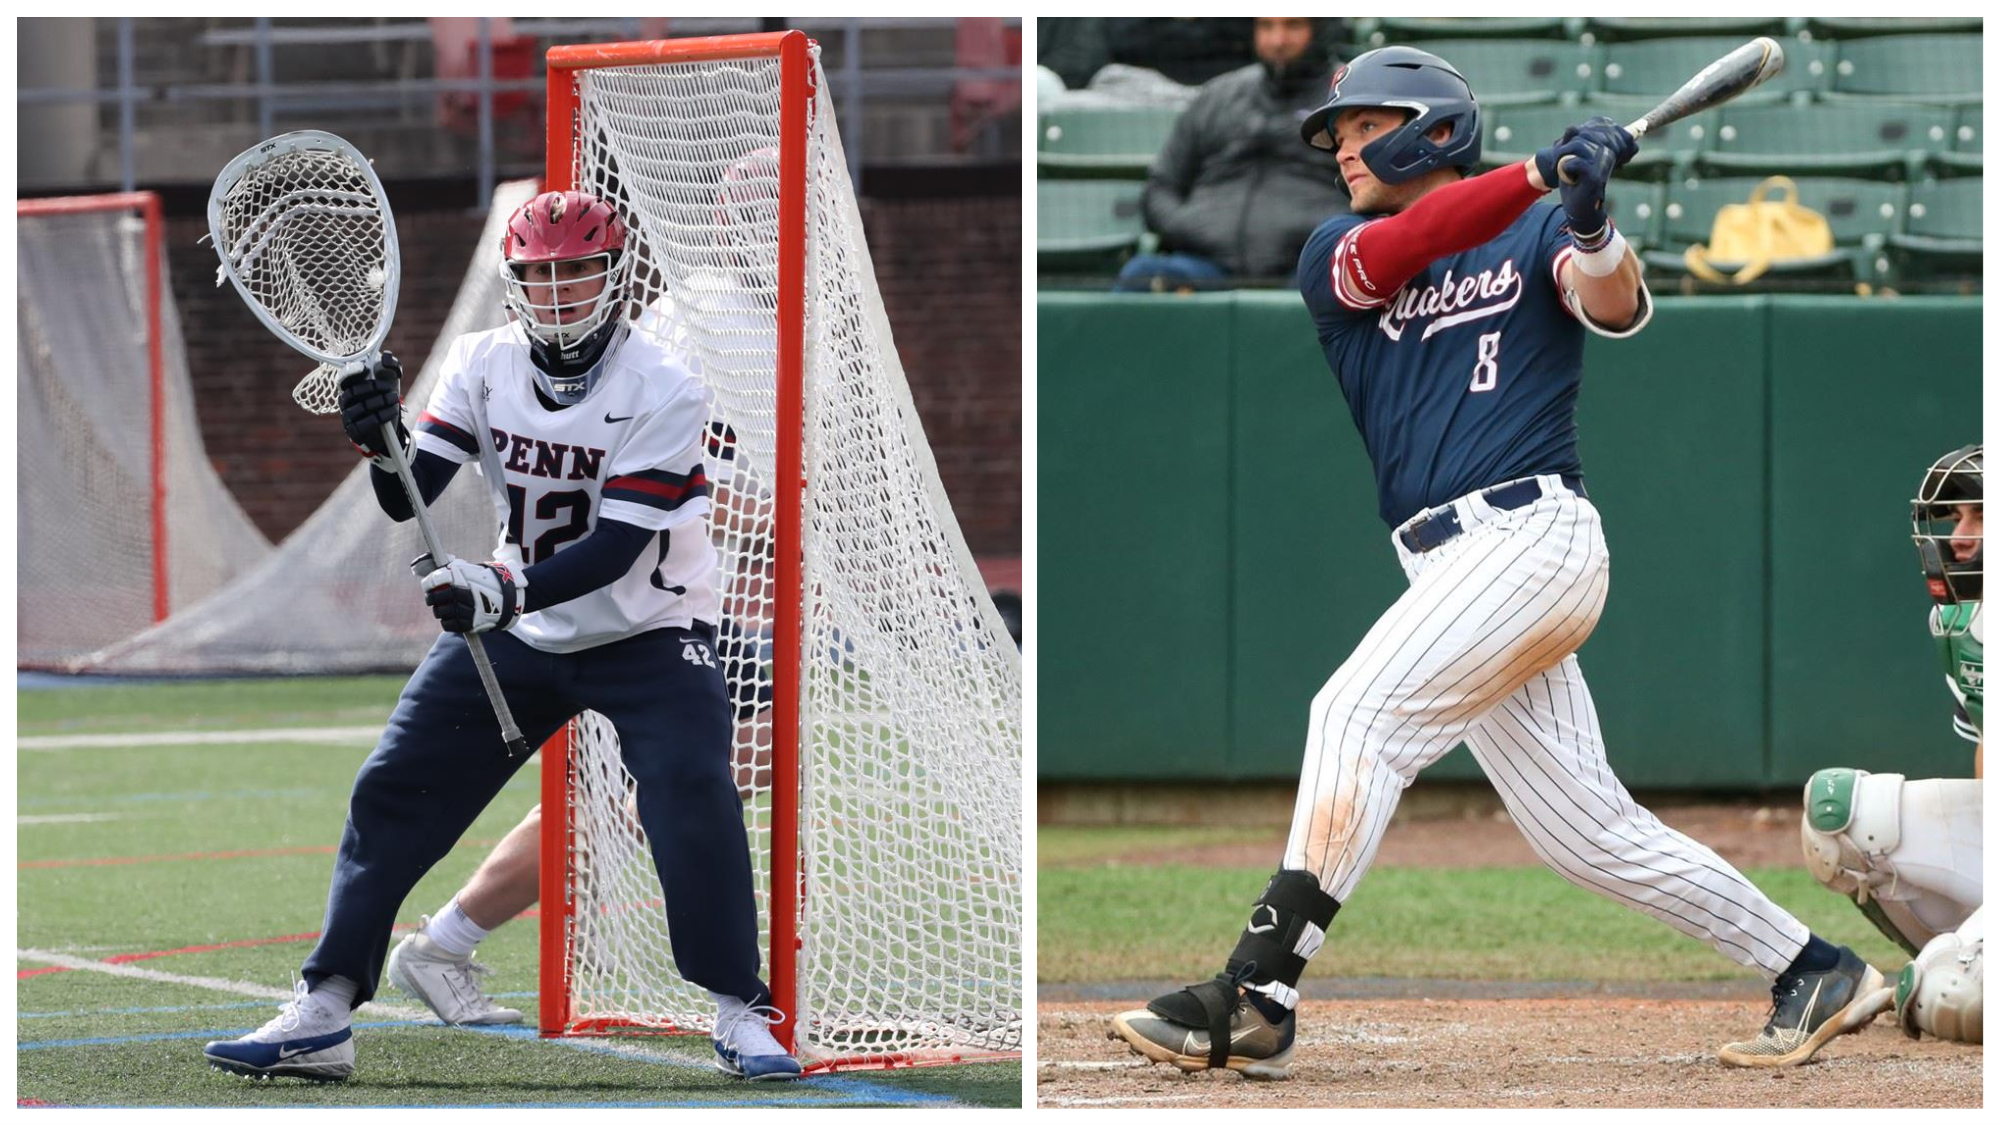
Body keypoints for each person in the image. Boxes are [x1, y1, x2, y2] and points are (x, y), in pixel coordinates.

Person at [1107, 44, 1891, 1078]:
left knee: (1352, 715)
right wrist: (1532, 176)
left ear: (1428, 128)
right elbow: (1417, 240)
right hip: (1444, 570)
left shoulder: (1534, 229)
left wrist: (1588, 219)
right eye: (1335, 134)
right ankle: (1813, 968)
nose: (1339, 149)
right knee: (1585, 831)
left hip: (1532, 537)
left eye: (1357, 127)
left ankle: (1257, 991)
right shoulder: (1335, 250)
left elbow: (1612, 306)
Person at [201, 189, 802, 1082]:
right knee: (393, 789)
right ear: (515, 282)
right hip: (519, 629)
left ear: (615, 275)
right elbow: (412, 491)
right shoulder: (483, 361)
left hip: (647, 628)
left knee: (690, 790)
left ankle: (739, 1009)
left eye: (577, 271)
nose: (558, 291)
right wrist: (377, 439)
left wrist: (502, 587)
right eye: (539, 274)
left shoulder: (666, 386)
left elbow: (618, 545)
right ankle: (324, 1007)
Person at [1800, 445, 1982, 1043]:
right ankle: (1955, 953)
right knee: (1839, 821)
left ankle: (1961, 970)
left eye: (1981, 515)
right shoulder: (1966, 621)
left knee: (1949, 997)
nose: (1960, 536)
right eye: (1957, 517)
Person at [1113, 17, 1348, 292]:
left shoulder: (1347, 98)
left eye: (1293, 26)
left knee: (1332, 288)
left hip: (1308, 268)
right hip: (1205, 266)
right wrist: (1189, 225)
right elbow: (1161, 187)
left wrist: (1325, 236)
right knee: (1140, 275)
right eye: (1266, 27)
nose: (1277, 41)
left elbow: (1374, 190)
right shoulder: (1218, 95)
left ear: (1320, 32)